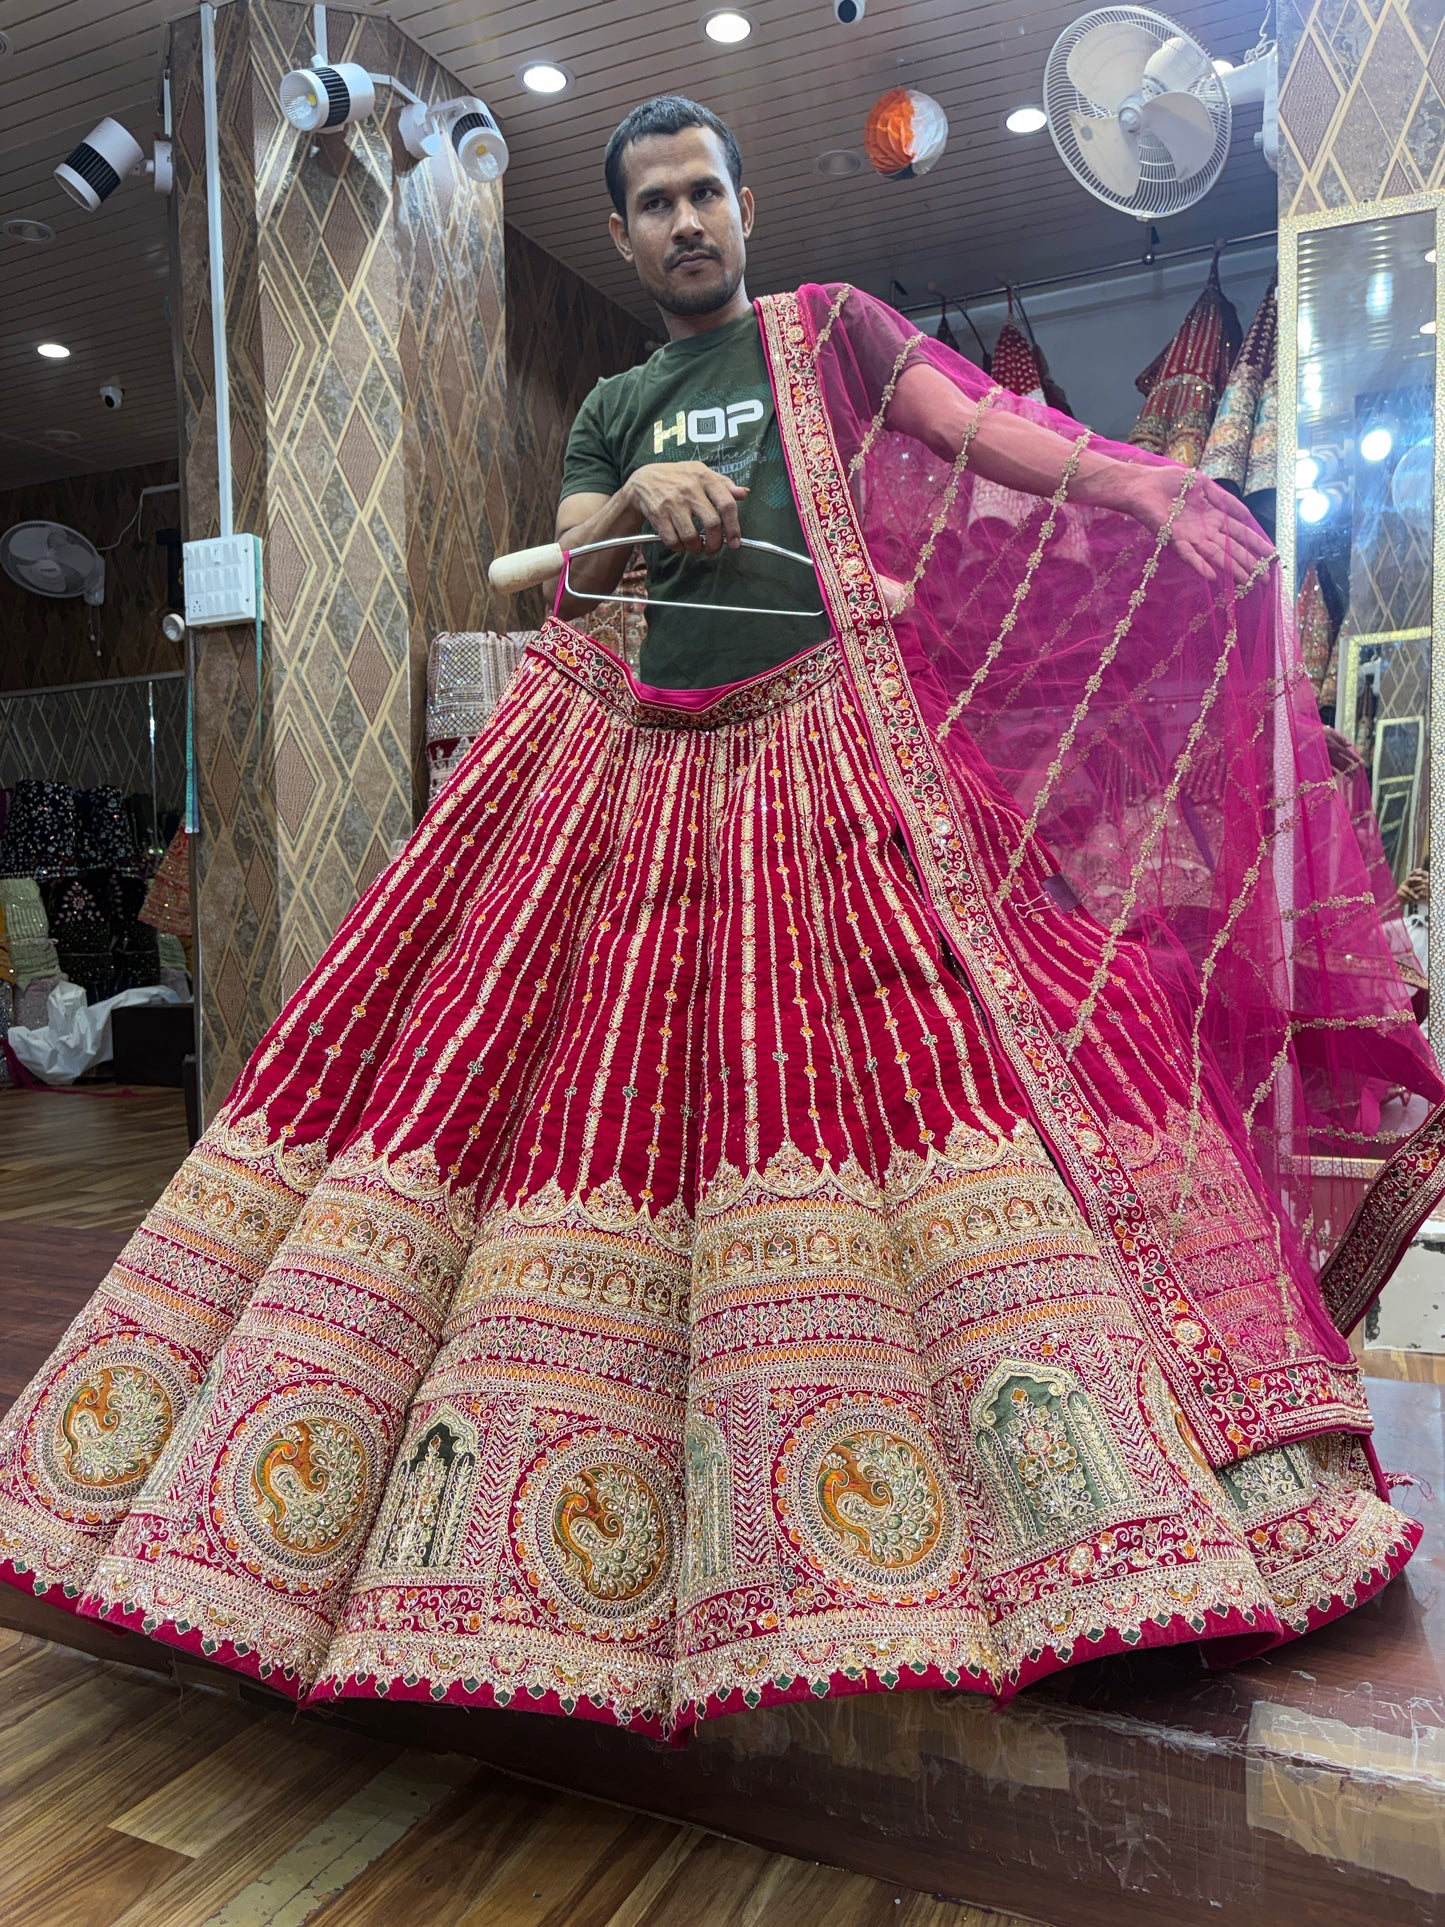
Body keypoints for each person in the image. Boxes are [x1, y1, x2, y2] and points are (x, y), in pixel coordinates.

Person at [1, 96, 1439, 1742]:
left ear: (745, 207)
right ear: (618, 238)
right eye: (654, 205)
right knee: (553, 1082)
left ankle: (1067, 1521)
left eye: (707, 193)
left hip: (832, 750)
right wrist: (638, 509)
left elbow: (983, 442)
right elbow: (562, 584)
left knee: (957, 1066)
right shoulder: (617, 399)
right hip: (632, 779)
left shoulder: (825, 336)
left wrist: (1141, 493)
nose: (686, 222)